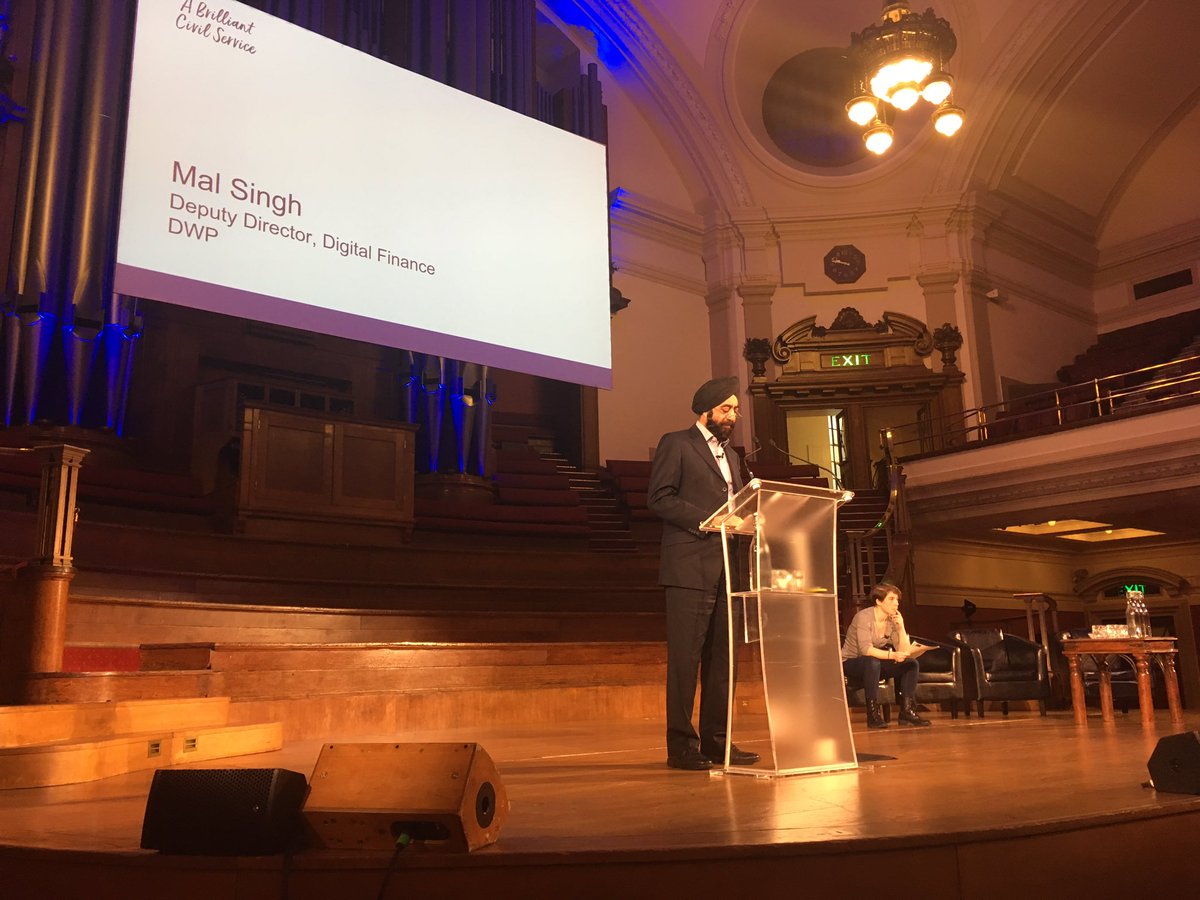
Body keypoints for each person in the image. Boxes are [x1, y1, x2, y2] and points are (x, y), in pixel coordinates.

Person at [648, 375, 760, 770]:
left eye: (736, 410)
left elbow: (739, 505)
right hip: (689, 569)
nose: (733, 416)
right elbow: (659, 498)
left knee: (724, 661)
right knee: (685, 661)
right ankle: (681, 746)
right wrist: (711, 520)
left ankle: (718, 742)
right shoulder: (677, 443)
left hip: (729, 569)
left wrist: (751, 518)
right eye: (726, 409)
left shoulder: (733, 458)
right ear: (706, 410)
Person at [841, 583, 931, 728]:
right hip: (851, 662)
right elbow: (866, 650)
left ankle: (907, 712)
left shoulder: (891, 620)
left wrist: (901, 628)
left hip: (874, 664)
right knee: (872, 662)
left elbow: (903, 650)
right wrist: (892, 655)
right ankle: (873, 715)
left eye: (897, 600)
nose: (896, 603)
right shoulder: (864, 617)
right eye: (891, 599)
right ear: (878, 601)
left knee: (910, 664)